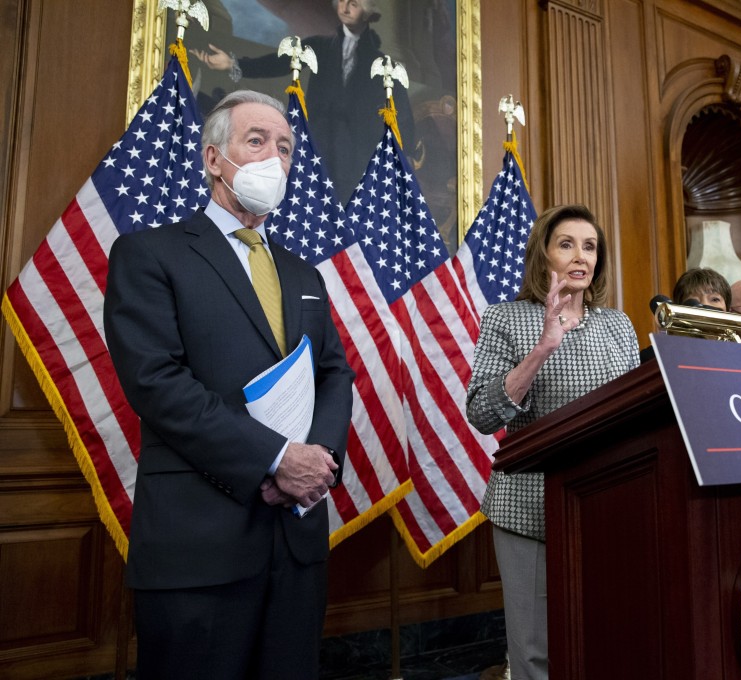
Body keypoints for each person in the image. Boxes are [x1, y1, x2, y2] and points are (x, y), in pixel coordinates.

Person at [104, 90, 356, 680]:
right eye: (257, 140)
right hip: (198, 543)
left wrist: (312, 463)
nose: (276, 157)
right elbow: (156, 381)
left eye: (286, 147)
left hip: (294, 543)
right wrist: (272, 460)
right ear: (214, 159)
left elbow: (333, 373)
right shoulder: (149, 254)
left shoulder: (302, 273)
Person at [466, 204, 640, 679]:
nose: (580, 256)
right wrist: (543, 347)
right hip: (529, 510)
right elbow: (482, 413)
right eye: (567, 244)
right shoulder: (507, 318)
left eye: (590, 246)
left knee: (603, 640)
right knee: (535, 655)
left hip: (606, 507)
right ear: (543, 255)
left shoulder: (618, 325)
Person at [192, 0, 416, 205]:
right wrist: (233, 63)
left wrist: (405, 153)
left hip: (356, 155)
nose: (345, 8)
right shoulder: (319, 46)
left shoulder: (381, 64)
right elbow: (278, 62)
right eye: (342, 1)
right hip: (320, 144)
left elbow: (400, 113)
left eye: (354, 3)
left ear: (368, 14)